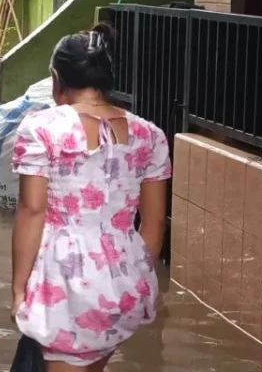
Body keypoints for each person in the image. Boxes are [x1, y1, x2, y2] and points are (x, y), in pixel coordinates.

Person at [10, 22, 171, 372]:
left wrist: (19, 289)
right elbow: (155, 222)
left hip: (65, 286)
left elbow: (32, 210)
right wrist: (132, 276)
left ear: (56, 79)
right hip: (125, 284)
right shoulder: (150, 135)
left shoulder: (42, 127)